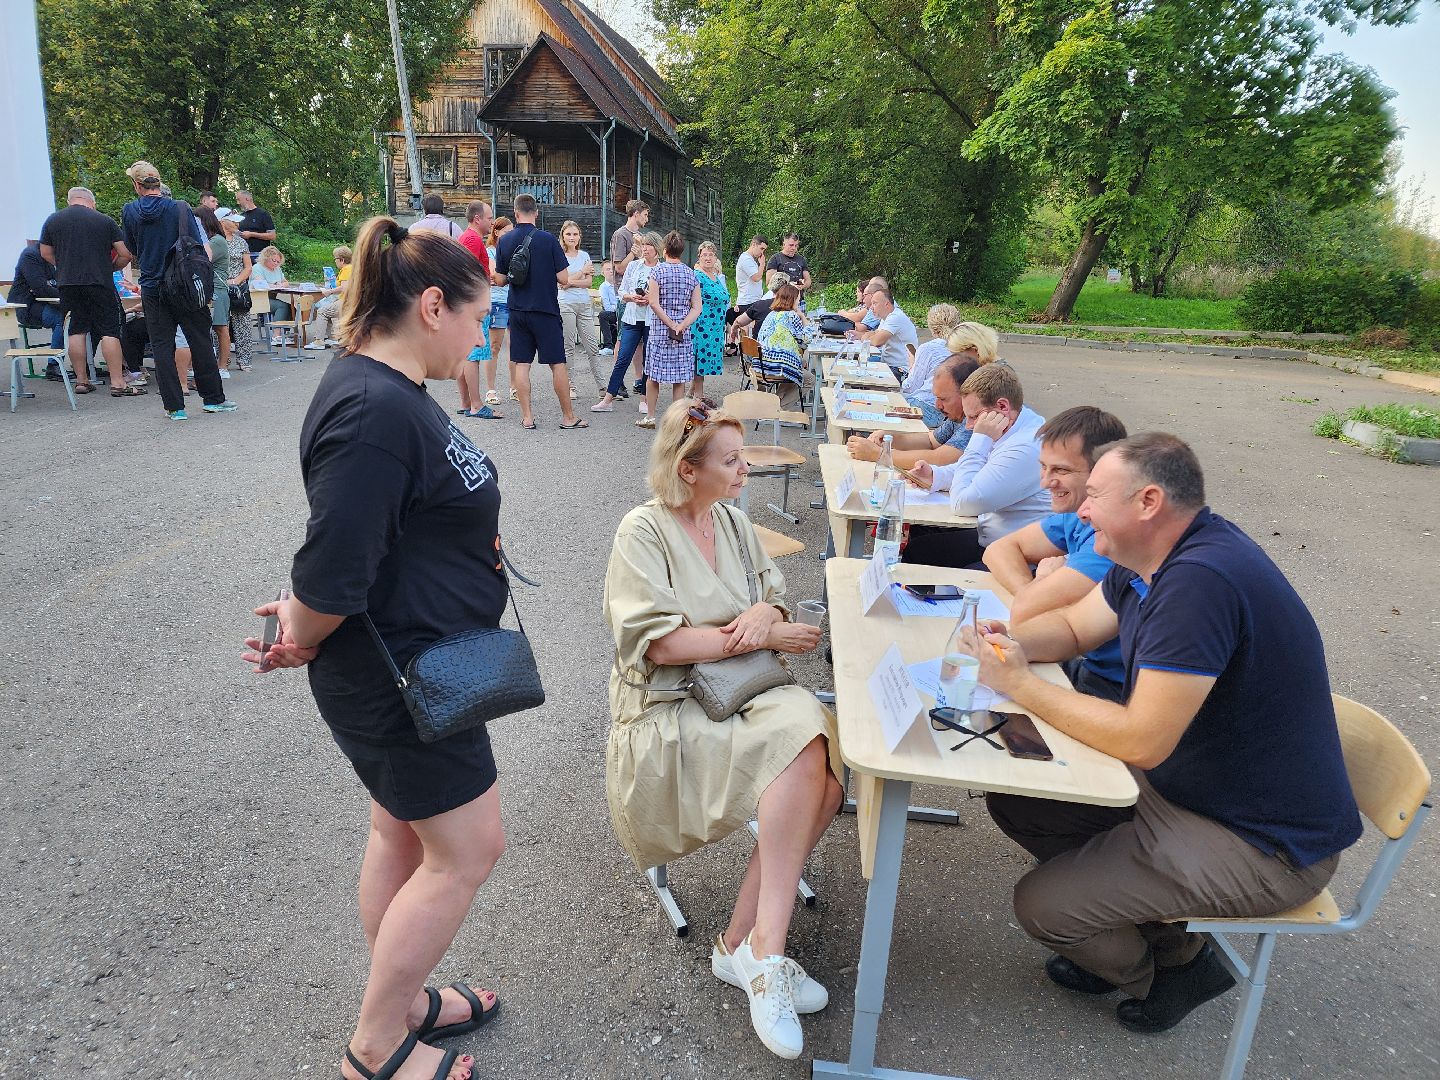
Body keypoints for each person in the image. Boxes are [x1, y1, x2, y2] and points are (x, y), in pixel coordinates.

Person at [962, 433, 1362, 1035]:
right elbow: (1073, 627)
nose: (1077, 508)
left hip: (1261, 841)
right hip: (1193, 790)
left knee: (1042, 909)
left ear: (1148, 502)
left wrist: (1020, 684)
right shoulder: (1149, 558)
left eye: (1093, 494)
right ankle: (1155, 932)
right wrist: (1012, 646)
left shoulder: (1199, 583)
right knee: (1021, 799)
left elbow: (1142, 740)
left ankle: (1171, 967)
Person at [241, 215, 507, 1080]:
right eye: (477, 319)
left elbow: (380, 530)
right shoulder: (372, 410)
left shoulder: (388, 391)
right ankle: (376, 1042)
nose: (482, 337)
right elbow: (332, 562)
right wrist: (301, 633)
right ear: (433, 305)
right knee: (468, 850)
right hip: (402, 676)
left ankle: (405, 998)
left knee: (400, 833)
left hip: (417, 657)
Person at [603, 397, 845, 1060]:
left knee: (822, 760)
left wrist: (765, 618)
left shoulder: (731, 522)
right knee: (804, 758)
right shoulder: (642, 532)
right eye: (732, 461)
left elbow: (770, 594)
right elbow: (658, 648)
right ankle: (761, 953)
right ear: (688, 469)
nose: (745, 471)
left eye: (743, 459)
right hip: (666, 709)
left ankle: (745, 946)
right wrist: (750, 636)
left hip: (737, 691)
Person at [982, 406, 1130, 703]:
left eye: (1061, 470)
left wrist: (1043, 585)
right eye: (1043, 467)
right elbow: (998, 550)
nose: (1045, 482)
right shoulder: (1078, 512)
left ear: (1101, 472)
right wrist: (1037, 586)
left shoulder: (1110, 540)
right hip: (1081, 659)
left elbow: (1025, 613)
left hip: (1107, 684)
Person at [120, 160, 233, 419]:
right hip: (184, 283)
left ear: (137, 185)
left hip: (151, 285)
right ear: (158, 183)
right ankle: (213, 399)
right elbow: (193, 244)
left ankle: (175, 407)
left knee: (162, 345)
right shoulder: (179, 208)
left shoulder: (129, 211)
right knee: (200, 339)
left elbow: (132, 249)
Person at [907, 363, 1048, 568]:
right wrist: (935, 476)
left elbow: (962, 503)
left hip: (1018, 555)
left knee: (920, 553)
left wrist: (980, 439)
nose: (970, 426)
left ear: (1002, 407)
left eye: (974, 417)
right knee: (920, 539)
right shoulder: (1015, 425)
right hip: (997, 537)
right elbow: (982, 469)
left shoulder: (1026, 447)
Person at [493, 193, 586, 429]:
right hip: (546, 310)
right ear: (536, 213)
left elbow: (501, 279)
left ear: (515, 213)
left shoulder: (504, 241)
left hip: (518, 309)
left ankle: (527, 417)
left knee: (522, 364)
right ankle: (568, 417)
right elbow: (563, 278)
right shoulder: (548, 240)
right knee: (557, 364)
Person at [39, 186, 137, 396]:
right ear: (91, 202)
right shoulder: (104, 220)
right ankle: (118, 382)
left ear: (70, 200)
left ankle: (82, 381)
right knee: (109, 331)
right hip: (99, 281)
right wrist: (111, 267)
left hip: (68, 283)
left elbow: (45, 252)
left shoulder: (53, 220)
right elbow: (125, 254)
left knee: (77, 329)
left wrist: (63, 265)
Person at [847, 353, 979, 470]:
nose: (937, 405)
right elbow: (930, 441)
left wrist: (878, 454)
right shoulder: (958, 415)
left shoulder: (976, 420)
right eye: (936, 397)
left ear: (967, 394)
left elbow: (941, 459)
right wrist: (890, 438)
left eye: (943, 399)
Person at [638, 231, 701, 429]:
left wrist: (669, 323)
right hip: (682, 334)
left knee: (653, 376)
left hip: (659, 331)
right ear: (681, 251)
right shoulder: (691, 274)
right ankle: (676, 420)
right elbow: (697, 307)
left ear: (664, 250)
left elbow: (654, 304)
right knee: (679, 378)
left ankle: (650, 416)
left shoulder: (657, 272)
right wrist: (681, 325)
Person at [593, 232, 659, 413]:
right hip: (632, 317)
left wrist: (650, 299)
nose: (645, 249)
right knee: (622, 357)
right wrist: (632, 297)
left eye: (649, 245)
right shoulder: (634, 266)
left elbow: (664, 295)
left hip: (651, 319)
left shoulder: (661, 268)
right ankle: (608, 399)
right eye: (643, 245)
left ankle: (645, 399)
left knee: (649, 360)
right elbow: (622, 292)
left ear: (657, 249)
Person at [453, 201, 502, 418]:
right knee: (473, 354)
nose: (492, 222)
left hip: (465, 302)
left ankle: (466, 402)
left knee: (465, 353)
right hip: (471, 303)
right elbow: (466, 273)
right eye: (490, 217)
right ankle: (476, 404)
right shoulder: (472, 239)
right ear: (477, 218)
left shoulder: (467, 237)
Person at [900, 304, 966, 428]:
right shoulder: (963, 349)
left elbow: (911, 386)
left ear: (931, 326)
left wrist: (911, 366)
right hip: (948, 413)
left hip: (924, 406)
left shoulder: (928, 348)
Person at [557, 220, 601, 400]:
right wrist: (580, 273)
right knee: (568, 347)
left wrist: (570, 281)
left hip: (583, 304)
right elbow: (560, 281)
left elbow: (589, 283)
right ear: (563, 236)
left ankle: (602, 386)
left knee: (592, 347)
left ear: (579, 236)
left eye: (575, 234)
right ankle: (571, 386)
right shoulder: (559, 255)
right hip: (565, 304)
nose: (572, 237)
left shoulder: (584, 255)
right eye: (568, 234)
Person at [10, 239, 66, 377]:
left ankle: (84, 366)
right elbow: (41, 287)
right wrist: (66, 295)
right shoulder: (30, 256)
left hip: (46, 302)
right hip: (25, 306)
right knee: (62, 319)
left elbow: (54, 285)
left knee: (81, 316)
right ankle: (53, 366)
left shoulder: (54, 254)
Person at [755, 283, 812, 409]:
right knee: (809, 378)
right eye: (798, 298)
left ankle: (776, 400)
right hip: (777, 368)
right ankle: (778, 409)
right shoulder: (792, 315)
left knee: (797, 366)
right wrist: (803, 317)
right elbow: (806, 340)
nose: (799, 301)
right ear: (793, 299)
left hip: (761, 365)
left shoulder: (771, 314)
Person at [193, 205, 233, 378]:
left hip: (217, 288)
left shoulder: (216, 241)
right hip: (211, 288)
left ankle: (222, 366)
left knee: (220, 327)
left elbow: (202, 259)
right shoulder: (213, 239)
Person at [691, 240, 728, 399]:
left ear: (715, 258)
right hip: (702, 326)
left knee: (704, 363)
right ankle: (698, 397)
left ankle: (693, 392)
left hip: (714, 327)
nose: (708, 258)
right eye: (704, 255)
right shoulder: (697, 276)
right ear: (699, 257)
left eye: (711, 255)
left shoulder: (715, 276)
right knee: (699, 362)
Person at [218, 211, 254, 371]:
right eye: (234, 221)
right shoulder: (215, 241)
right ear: (222, 221)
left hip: (238, 287)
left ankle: (244, 359)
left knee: (243, 323)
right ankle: (222, 361)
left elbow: (248, 266)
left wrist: (236, 281)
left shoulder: (241, 242)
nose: (238, 224)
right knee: (220, 325)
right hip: (219, 286)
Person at [860, 284, 918, 377]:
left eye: (875, 303)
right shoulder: (886, 317)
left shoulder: (895, 317)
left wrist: (866, 337)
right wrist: (867, 336)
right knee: (859, 364)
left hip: (901, 370)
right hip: (888, 364)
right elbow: (874, 333)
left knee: (862, 373)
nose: (871, 307)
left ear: (886, 304)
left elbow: (876, 341)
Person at [305, 245, 353, 351]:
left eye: (335, 259)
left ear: (342, 260)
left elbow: (344, 287)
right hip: (349, 301)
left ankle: (319, 341)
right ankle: (328, 337)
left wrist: (329, 292)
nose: (335, 261)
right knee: (327, 309)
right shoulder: (351, 268)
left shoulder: (346, 269)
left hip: (346, 301)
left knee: (322, 312)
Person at [486, 217, 513, 404]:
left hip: (515, 301)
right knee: (494, 347)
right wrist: (511, 275)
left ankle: (515, 387)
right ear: (496, 232)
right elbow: (496, 275)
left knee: (516, 346)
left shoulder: (514, 250)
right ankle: (491, 390)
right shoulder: (490, 251)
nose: (510, 236)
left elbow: (503, 277)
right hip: (497, 301)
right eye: (506, 232)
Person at [250, 246, 292, 338]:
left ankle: (284, 333)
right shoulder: (257, 268)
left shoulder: (277, 269)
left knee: (291, 307)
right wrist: (276, 285)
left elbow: (286, 282)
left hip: (270, 298)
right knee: (282, 306)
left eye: (278, 262)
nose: (276, 263)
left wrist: (281, 285)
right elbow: (261, 284)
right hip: (257, 299)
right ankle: (276, 335)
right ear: (266, 257)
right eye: (274, 260)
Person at [608, 198, 649, 287]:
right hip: (623, 291)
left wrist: (641, 253)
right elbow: (619, 269)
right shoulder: (620, 235)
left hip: (639, 288)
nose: (647, 219)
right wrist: (634, 252)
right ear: (636, 214)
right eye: (645, 215)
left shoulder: (641, 236)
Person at [765, 232, 811, 298]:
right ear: (784, 244)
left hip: (798, 299)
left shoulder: (801, 259)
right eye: (791, 245)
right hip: (781, 300)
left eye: (796, 245)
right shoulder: (775, 258)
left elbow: (808, 280)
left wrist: (803, 286)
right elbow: (769, 282)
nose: (794, 248)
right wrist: (790, 285)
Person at [235, 189, 276, 259]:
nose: (238, 203)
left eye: (239, 199)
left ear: (247, 198)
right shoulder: (241, 216)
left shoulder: (262, 214)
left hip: (261, 256)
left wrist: (251, 234)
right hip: (243, 256)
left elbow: (272, 236)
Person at [733, 235, 767, 312]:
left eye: (764, 250)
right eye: (761, 249)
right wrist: (762, 264)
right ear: (754, 244)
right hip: (747, 302)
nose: (762, 252)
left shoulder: (750, 259)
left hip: (752, 300)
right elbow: (756, 278)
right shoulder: (746, 259)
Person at [597, 261, 618, 353]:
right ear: (602, 273)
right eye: (608, 269)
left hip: (625, 311)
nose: (611, 271)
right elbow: (607, 307)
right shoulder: (603, 287)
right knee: (603, 315)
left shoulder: (620, 284)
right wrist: (617, 307)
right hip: (614, 313)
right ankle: (609, 346)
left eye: (612, 269)